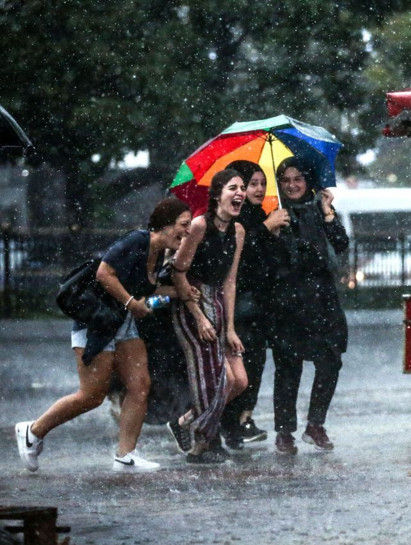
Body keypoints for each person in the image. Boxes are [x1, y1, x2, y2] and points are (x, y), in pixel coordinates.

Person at [15, 198, 192, 472]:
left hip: (123, 323)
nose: (187, 231)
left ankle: (125, 455)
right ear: (166, 225)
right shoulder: (137, 240)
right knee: (91, 395)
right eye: (183, 224)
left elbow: (144, 288)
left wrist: (182, 292)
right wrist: (131, 303)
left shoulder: (158, 254)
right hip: (98, 322)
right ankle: (33, 431)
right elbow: (104, 273)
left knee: (140, 385)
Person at [167, 168, 249, 464]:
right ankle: (203, 444)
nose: (240, 193)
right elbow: (178, 272)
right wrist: (199, 317)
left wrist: (230, 328)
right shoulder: (199, 226)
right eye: (232, 188)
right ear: (217, 195)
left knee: (238, 381)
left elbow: (230, 281)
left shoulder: (238, 231)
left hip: (218, 302)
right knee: (216, 379)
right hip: (192, 302)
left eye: (242, 188)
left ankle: (186, 422)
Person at [269, 157, 349, 454]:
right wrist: (273, 231)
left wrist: (328, 212)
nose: (292, 185)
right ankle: (284, 431)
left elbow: (341, 243)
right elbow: (272, 259)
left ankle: (316, 424)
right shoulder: (275, 214)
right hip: (288, 301)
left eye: (298, 179)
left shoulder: (319, 210)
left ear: (308, 181)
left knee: (330, 361)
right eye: (286, 180)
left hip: (322, 299)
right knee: (288, 367)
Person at [219, 160, 290, 449]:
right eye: (252, 184)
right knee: (239, 370)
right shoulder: (235, 218)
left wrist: (273, 234)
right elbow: (238, 259)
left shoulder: (260, 215)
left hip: (260, 306)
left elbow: (269, 262)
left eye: (262, 183)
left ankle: (242, 419)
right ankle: (225, 422)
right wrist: (264, 229)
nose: (259, 189)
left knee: (255, 366)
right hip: (239, 306)